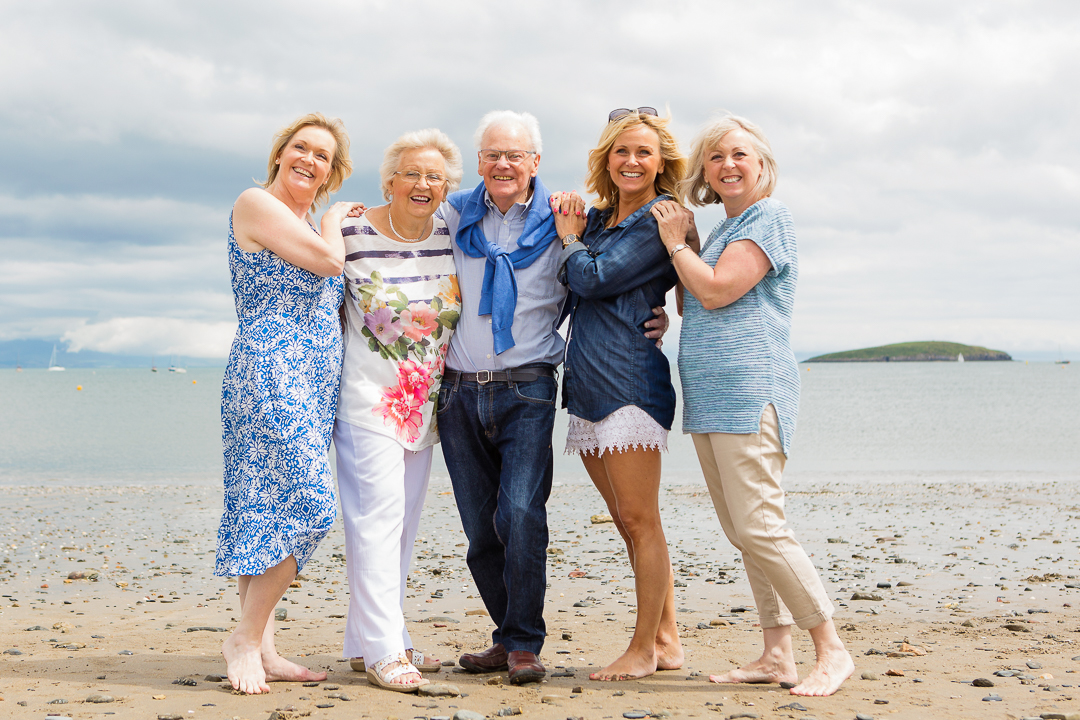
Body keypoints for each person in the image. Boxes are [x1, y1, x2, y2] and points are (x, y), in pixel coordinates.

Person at [436, 110, 670, 685]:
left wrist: (653, 312)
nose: (504, 164)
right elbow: (402, 226)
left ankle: (524, 645)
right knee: (480, 530)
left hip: (531, 386)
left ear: (535, 161)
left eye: (515, 154)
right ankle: (506, 635)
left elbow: (604, 272)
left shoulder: (568, 218)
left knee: (520, 512)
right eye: (493, 154)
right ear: (480, 162)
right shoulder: (454, 211)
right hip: (459, 390)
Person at [651, 114, 855, 697]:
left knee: (762, 527)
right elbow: (698, 303)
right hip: (712, 397)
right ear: (705, 175)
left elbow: (716, 290)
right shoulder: (724, 229)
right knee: (743, 531)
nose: (728, 165)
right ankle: (776, 653)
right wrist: (687, 254)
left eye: (739, 154)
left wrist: (674, 245)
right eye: (715, 158)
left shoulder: (771, 217)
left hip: (751, 392)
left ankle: (831, 649)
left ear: (762, 165)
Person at [215, 113, 363, 695]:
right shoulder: (257, 203)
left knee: (264, 506)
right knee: (310, 505)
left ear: (332, 170)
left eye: (323, 156)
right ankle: (245, 638)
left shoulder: (300, 220)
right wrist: (333, 221)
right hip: (270, 369)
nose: (310, 159)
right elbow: (330, 263)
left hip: (315, 378)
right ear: (280, 154)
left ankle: (265, 645)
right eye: (301, 148)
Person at [548, 107, 685, 681]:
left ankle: (643, 650)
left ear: (661, 164)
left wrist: (569, 241)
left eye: (644, 152)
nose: (631, 161)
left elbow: (592, 279)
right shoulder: (600, 220)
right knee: (626, 520)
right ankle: (668, 638)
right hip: (587, 383)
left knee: (639, 519)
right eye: (621, 151)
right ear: (607, 157)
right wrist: (575, 229)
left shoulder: (662, 217)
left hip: (630, 382)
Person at [334, 129, 463, 692]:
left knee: (402, 525)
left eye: (434, 176)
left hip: (425, 407)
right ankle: (387, 650)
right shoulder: (351, 231)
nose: (423, 184)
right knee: (378, 520)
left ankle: (366, 641)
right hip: (367, 400)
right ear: (388, 180)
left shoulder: (451, 231)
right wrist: (329, 215)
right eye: (412, 173)